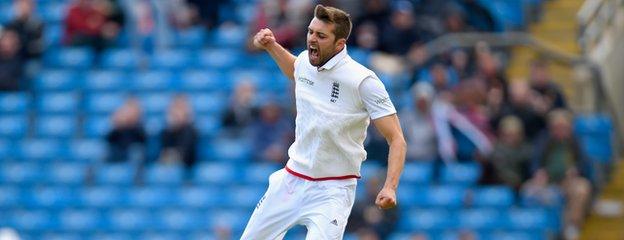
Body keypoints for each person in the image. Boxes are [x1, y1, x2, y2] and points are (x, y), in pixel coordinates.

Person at [241, 5, 406, 239]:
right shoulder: (306, 63)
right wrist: (272, 46)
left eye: (321, 35)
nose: (311, 39)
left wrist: (390, 186)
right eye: (310, 32)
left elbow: (396, 138)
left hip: (333, 190)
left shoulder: (363, 81)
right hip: (291, 180)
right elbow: (296, 70)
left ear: (340, 44)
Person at [158, 95, 198, 169]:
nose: (178, 113)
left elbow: (185, 154)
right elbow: (164, 152)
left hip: (187, 171)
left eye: (181, 109)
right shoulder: (166, 131)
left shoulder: (191, 131)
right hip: (168, 169)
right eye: (175, 109)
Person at [105, 97, 147, 162]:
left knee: (136, 152)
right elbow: (109, 140)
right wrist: (118, 126)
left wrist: (131, 124)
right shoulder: (117, 130)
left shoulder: (141, 129)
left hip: (135, 160)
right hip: (118, 157)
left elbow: (143, 138)